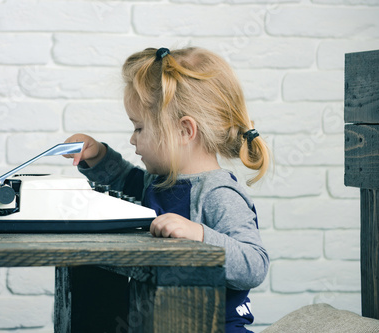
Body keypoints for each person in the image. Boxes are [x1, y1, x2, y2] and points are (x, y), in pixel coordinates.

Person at [63, 47, 270, 333]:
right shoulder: (157, 181)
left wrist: (200, 235)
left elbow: (254, 265)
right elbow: (123, 179)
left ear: (185, 132)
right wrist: (97, 155)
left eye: (139, 128)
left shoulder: (218, 193)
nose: (132, 139)